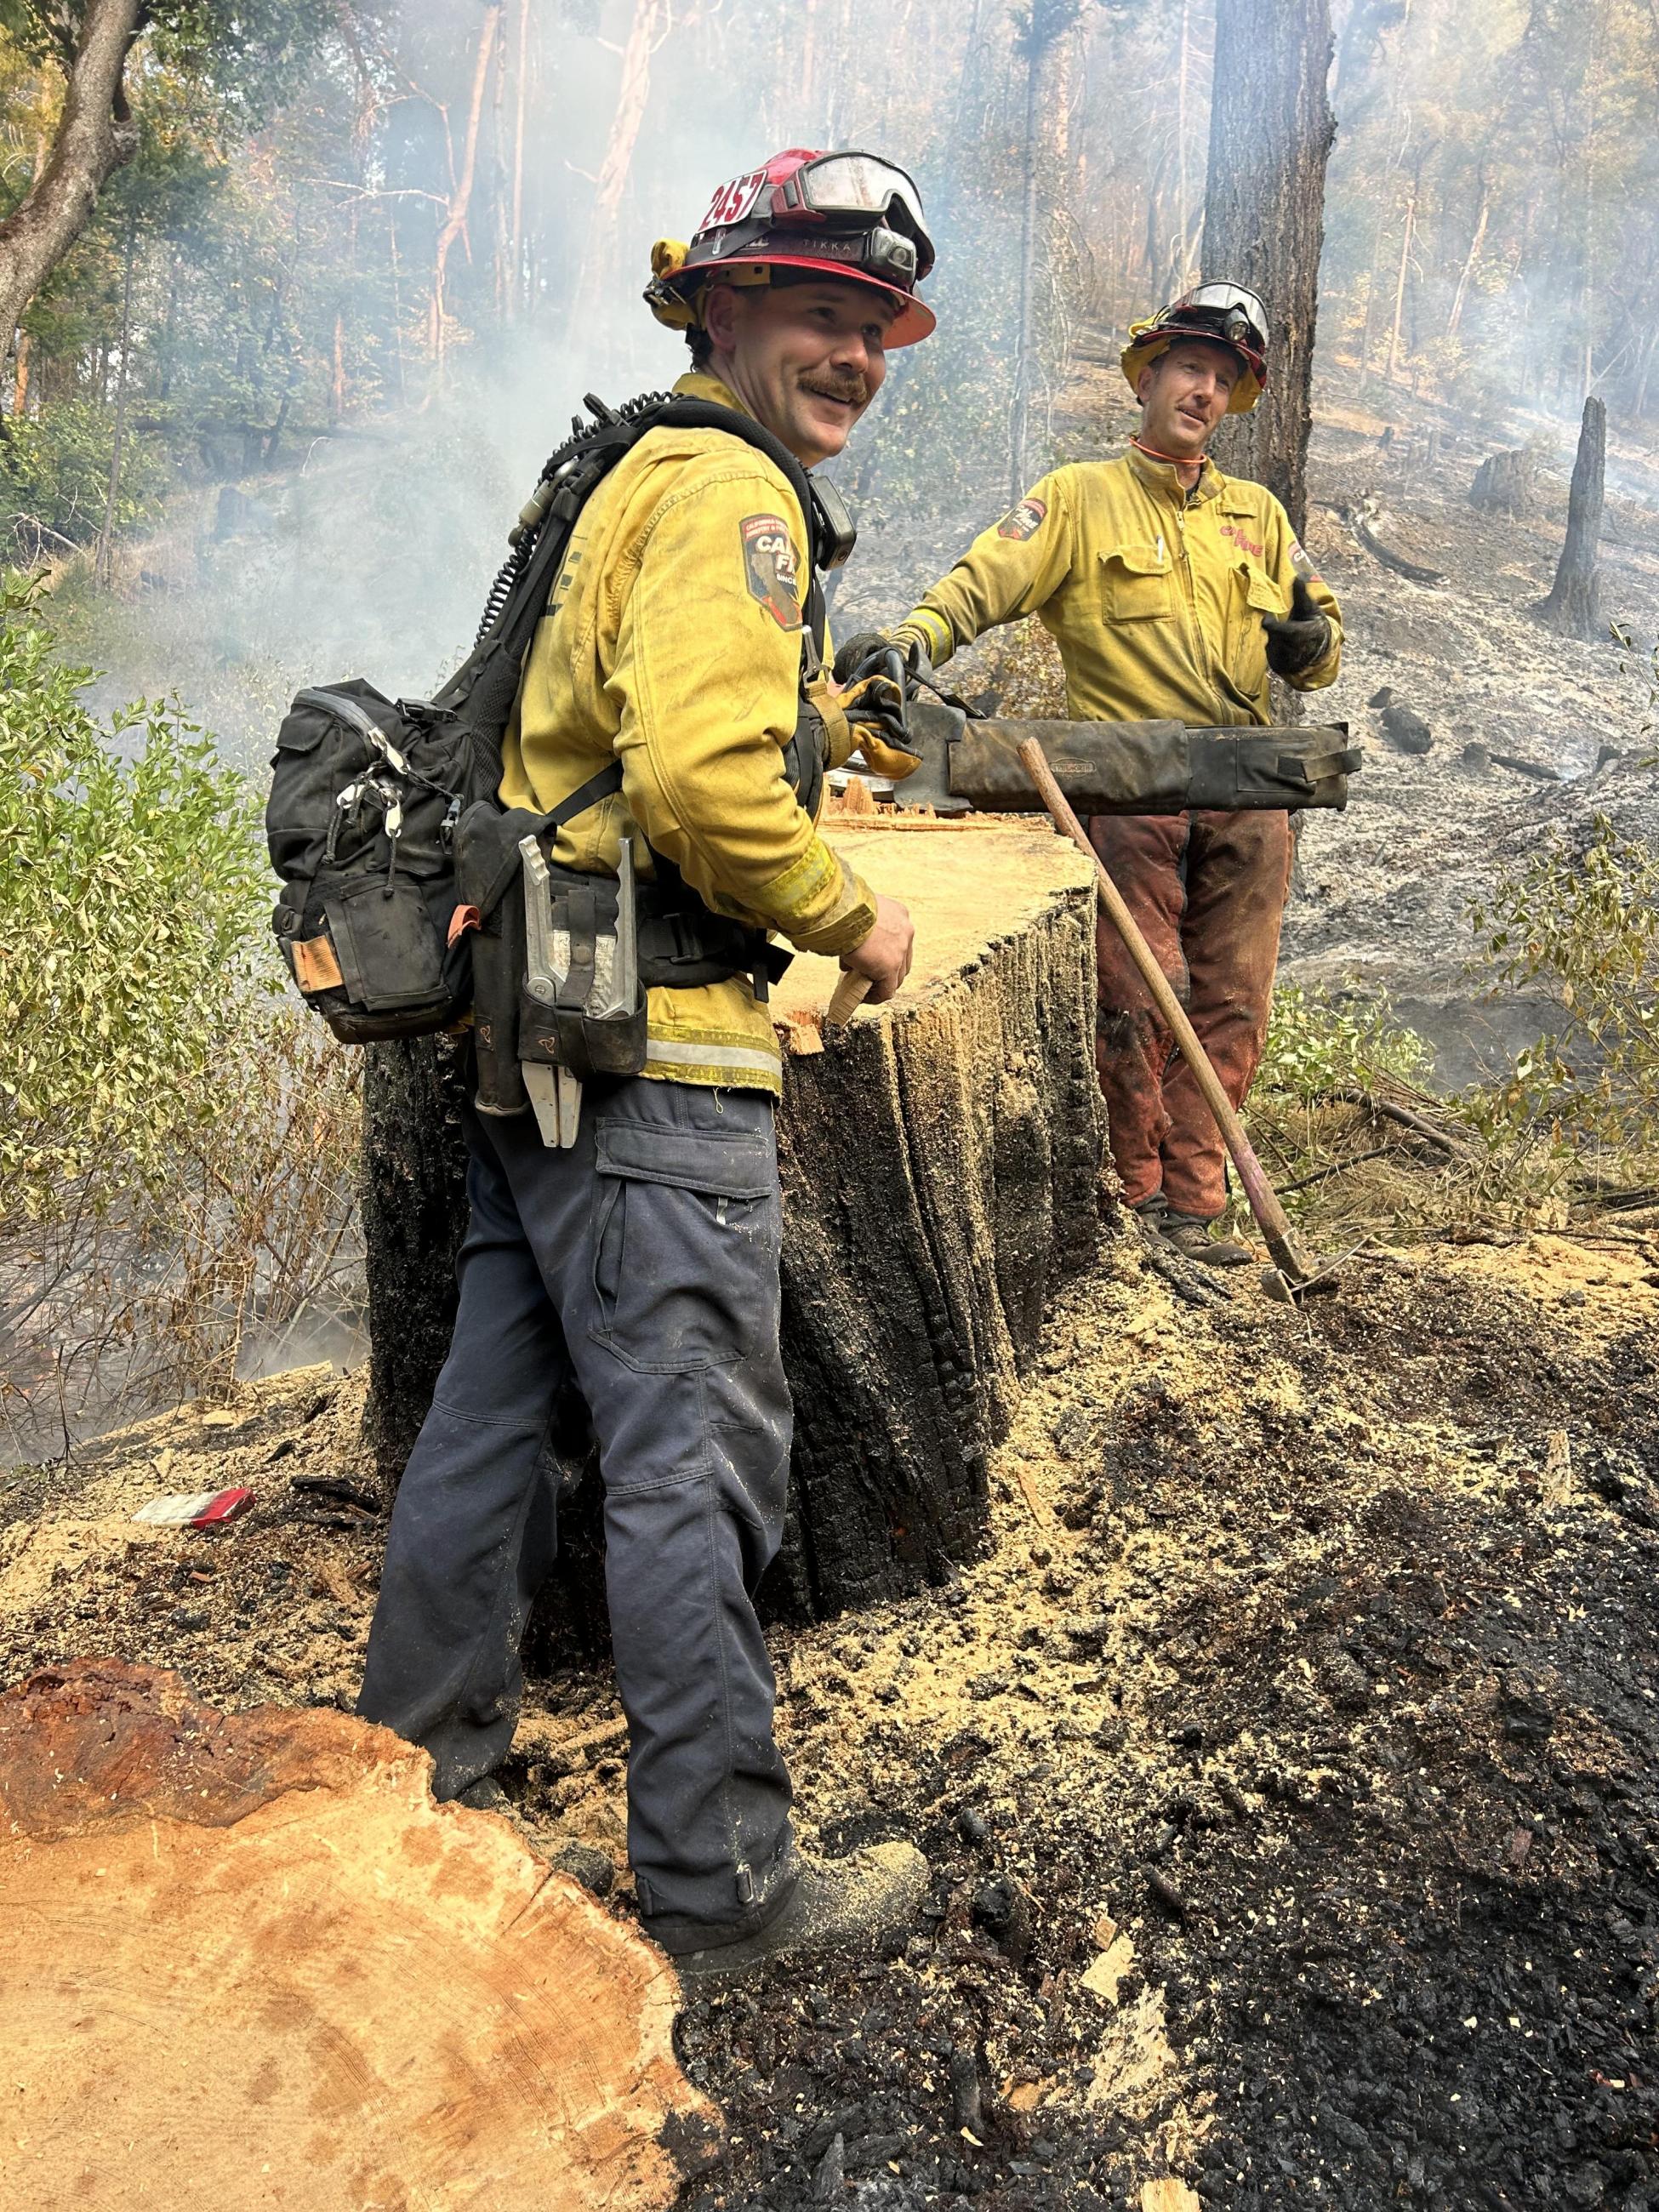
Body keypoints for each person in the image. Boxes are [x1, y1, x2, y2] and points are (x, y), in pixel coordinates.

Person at [356, 149, 936, 1981]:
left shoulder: (631, 467)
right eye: (817, 312)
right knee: (694, 1462)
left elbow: (627, 729)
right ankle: (719, 1884)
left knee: (486, 1424)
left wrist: (828, 716)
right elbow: (694, 787)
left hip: (547, 1051)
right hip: (666, 1065)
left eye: (873, 324)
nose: (851, 350)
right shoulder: (732, 501)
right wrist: (857, 916)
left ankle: (406, 1793)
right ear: (722, 307)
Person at [844, 283, 1343, 1264]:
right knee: (1136, 997)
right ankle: (1135, 1205)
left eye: (1225, 377)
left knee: (1234, 1006)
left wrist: (1310, 641)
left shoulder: (1261, 516)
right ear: (1148, 376)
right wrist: (910, 642)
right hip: (1124, 793)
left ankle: (1198, 1216)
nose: (1205, 389)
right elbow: (982, 580)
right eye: (1190, 366)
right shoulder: (1077, 498)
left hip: (1247, 796)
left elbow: (1323, 639)